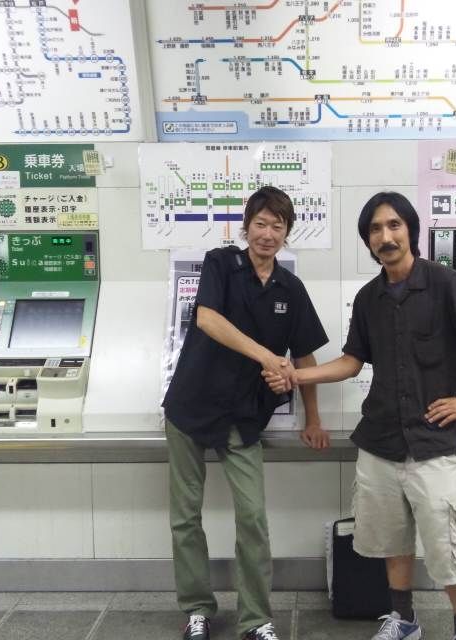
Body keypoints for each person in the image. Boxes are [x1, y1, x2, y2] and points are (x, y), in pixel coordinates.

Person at [264, 192, 456, 640]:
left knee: (448, 548)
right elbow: (351, 362)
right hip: (380, 444)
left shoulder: (446, 284)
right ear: (368, 241)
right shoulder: (368, 298)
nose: (386, 236)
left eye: (394, 225)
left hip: (433, 443)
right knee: (391, 541)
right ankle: (403, 620)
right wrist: (297, 375)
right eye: (376, 229)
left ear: (410, 230)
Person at [163, 186, 330, 640]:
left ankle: (256, 619)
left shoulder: (291, 289)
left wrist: (312, 419)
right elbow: (208, 319)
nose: (267, 234)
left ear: (287, 233)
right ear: (246, 226)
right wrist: (268, 358)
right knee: (185, 515)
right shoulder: (220, 264)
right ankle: (197, 609)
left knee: (252, 516)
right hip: (191, 405)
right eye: (260, 224)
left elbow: (305, 356)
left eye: (278, 226)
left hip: (242, 415)